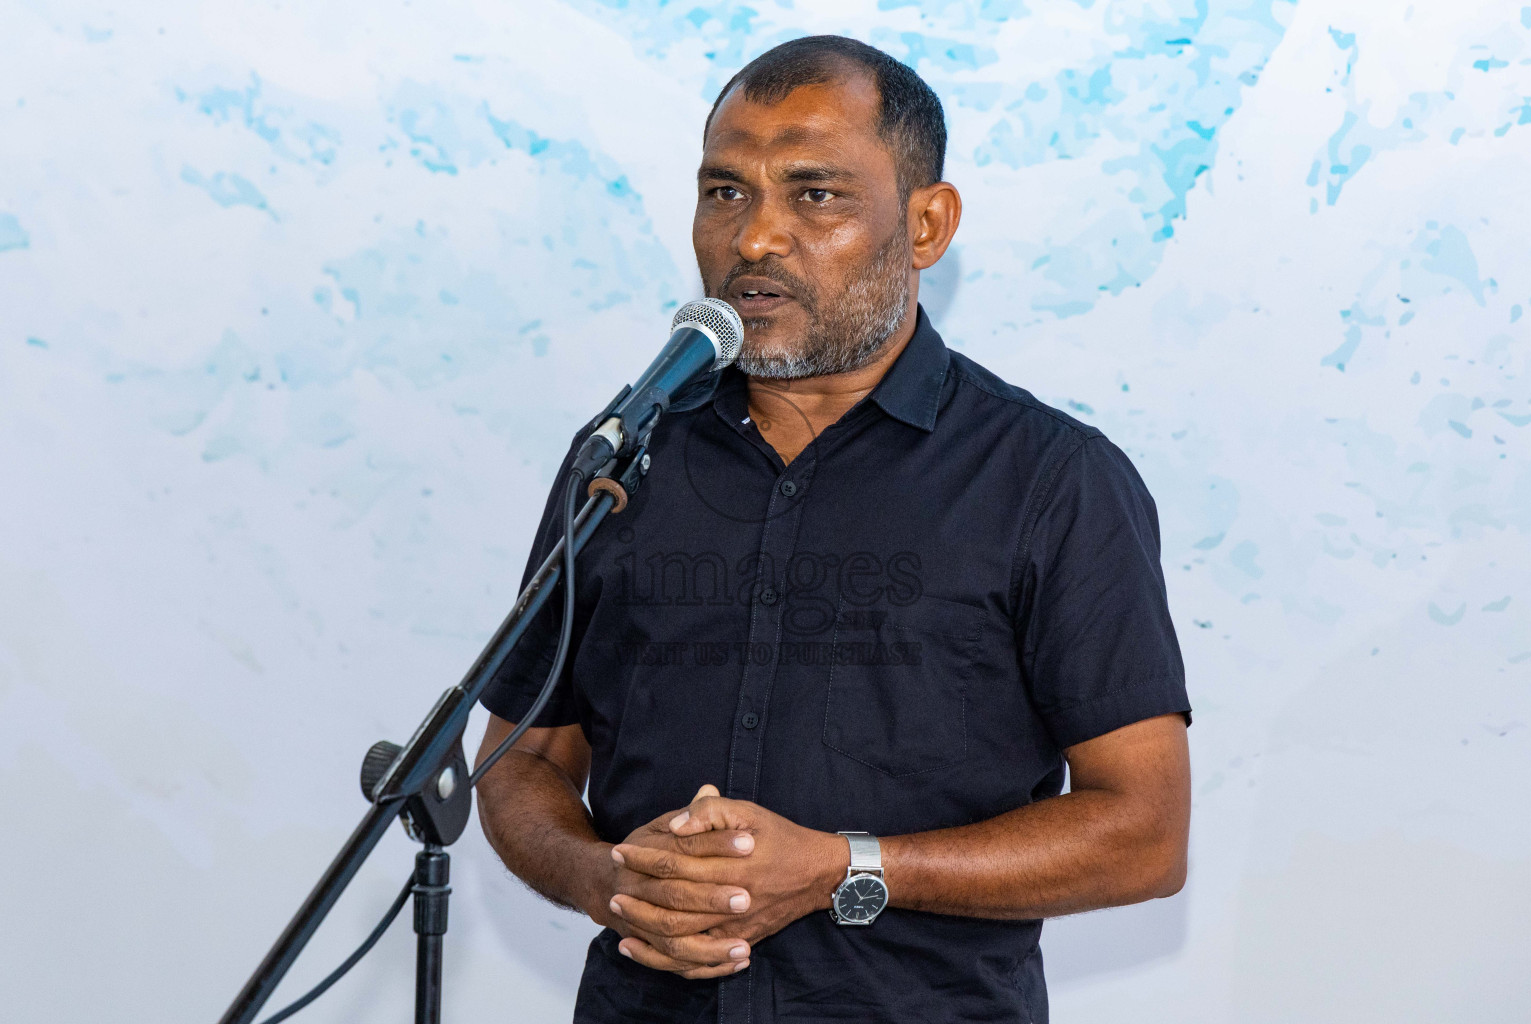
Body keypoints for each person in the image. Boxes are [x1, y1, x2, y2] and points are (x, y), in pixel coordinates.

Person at [475, 34, 1191, 1024]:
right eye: (725, 192)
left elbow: (1144, 832)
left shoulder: (1049, 480)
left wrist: (843, 869)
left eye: (815, 195)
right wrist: (611, 880)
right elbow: (522, 761)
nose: (755, 239)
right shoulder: (624, 456)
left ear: (927, 223)